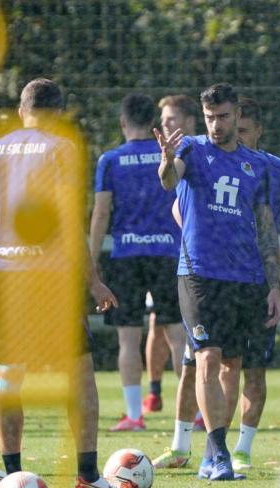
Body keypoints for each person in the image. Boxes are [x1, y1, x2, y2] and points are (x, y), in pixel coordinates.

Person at [0, 78, 128, 488]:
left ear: (21, 110)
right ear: (60, 113)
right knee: (79, 375)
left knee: (8, 376)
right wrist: (94, 282)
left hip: (3, 277)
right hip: (49, 279)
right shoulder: (62, 149)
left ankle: (11, 472)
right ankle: (87, 476)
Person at [152, 97, 280, 473]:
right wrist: (166, 161)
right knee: (205, 358)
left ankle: (213, 454)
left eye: (224, 117)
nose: (216, 125)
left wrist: (274, 280)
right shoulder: (192, 148)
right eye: (210, 117)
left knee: (233, 364)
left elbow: (267, 229)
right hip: (198, 274)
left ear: (240, 119)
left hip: (244, 280)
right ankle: (218, 453)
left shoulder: (263, 167)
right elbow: (170, 184)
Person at [89, 93, 183, 432]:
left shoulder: (110, 160)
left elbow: (101, 212)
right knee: (177, 335)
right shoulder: (169, 157)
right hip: (168, 255)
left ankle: (134, 416)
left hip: (126, 256)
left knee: (128, 339)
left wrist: (92, 258)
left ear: (122, 122)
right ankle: (192, 415)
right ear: (153, 124)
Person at [142, 95, 200, 416]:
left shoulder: (193, 152)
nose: (164, 126)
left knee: (177, 331)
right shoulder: (164, 154)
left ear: (189, 121)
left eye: (170, 121)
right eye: (162, 121)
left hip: (180, 255)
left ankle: (189, 406)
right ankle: (154, 393)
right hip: (155, 254)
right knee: (158, 325)